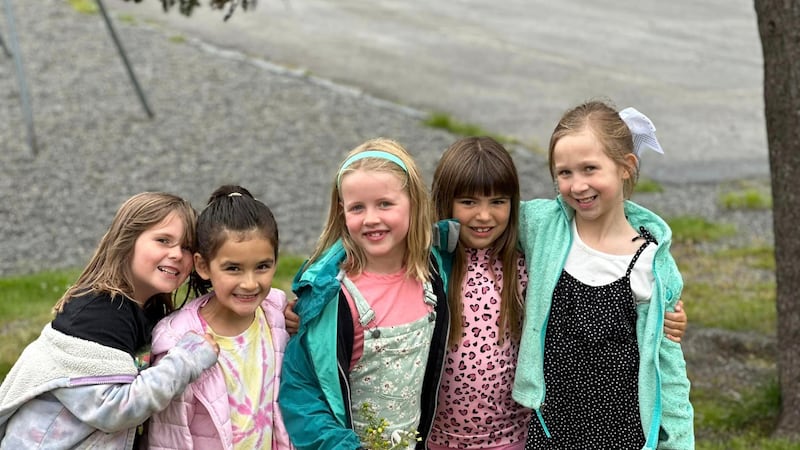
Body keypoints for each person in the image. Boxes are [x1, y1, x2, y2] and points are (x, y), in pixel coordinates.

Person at [426, 136, 687, 450]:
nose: (484, 216)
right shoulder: (428, 267)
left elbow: (602, 229)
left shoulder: (527, 262)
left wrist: (662, 312)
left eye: (497, 202)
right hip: (437, 438)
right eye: (469, 202)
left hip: (517, 438)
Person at [513, 100, 694, 449]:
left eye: (590, 169)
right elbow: (488, 216)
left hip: (623, 435)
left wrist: (678, 440)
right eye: (564, 173)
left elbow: (666, 366)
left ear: (625, 167)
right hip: (552, 430)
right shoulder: (543, 228)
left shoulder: (651, 262)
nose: (578, 185)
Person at [0, 192, 219, 449]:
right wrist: (189, 358)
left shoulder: (146, 310)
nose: (176, 254)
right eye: (163, 240)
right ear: (128, 241)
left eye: (186, 247)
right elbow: (115, 409)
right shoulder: (100, 312)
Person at [278, 138, 456, 450]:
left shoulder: (432, 269)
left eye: (385, 204)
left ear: (414, 202)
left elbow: (489, 220)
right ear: (342, 211)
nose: (371, 218)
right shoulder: (332, 298)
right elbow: (302, 392)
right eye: (358, 208)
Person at [147, 185, 292, 449]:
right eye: (233, 268)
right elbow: (169, 437)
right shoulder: (180, 343)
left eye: (262, 266)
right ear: (203, 266)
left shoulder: (276, 315)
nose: (249, 284)